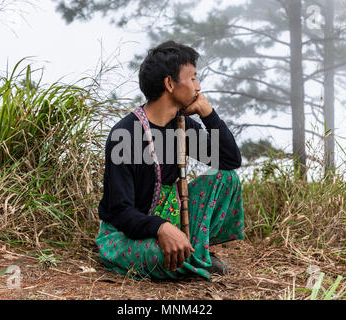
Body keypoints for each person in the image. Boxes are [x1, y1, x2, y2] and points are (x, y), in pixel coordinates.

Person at [96, 40, 244, 280]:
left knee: (226, 178)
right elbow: (119, 211)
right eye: (193, 78)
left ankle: (193, 252)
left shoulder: (182, 127)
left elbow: (229, 160)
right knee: (161, 256)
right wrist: (160, 227)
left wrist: (208, 113)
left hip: (172, 220)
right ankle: (195, 257)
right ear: (169, 83)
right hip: (127, 234)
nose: (198, 86)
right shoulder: (125, 134)